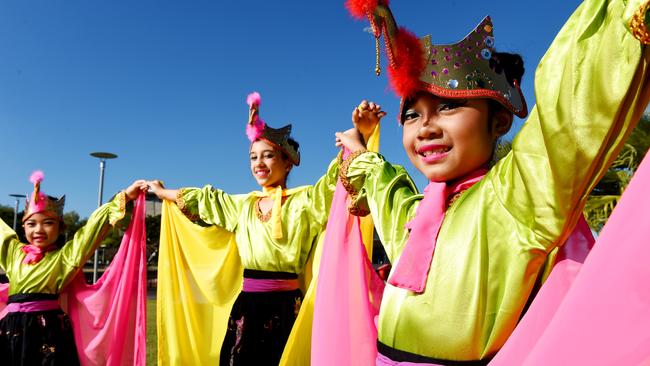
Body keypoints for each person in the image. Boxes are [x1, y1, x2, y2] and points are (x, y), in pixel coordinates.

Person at [336, 0, 650, 364]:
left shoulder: (518, 195)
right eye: (412, 115)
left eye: (448, 106)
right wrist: (360, 145)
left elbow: (573, 104)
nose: (426, 127)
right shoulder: (413, 215)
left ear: (499, 122)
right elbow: (380, 182)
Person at [148, 92, 338, 365]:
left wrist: (357, 140)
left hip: (288, 307)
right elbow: (205, 198)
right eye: (253, 157)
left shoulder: (306, 201)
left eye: (268, 155)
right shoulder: (242, 206)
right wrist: (163, 192)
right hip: (248, 306)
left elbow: (333, 186)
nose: (258, 163)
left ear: (287, 162)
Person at [0, 171, 147, 365]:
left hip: (47, 330)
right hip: (10, 329)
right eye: (31, 224)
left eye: (48, 223)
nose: (38, 230)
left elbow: (91, 230)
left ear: (60, 228)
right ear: (23, 228)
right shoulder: (13, 253)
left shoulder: (65, 257)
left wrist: (126, 196)